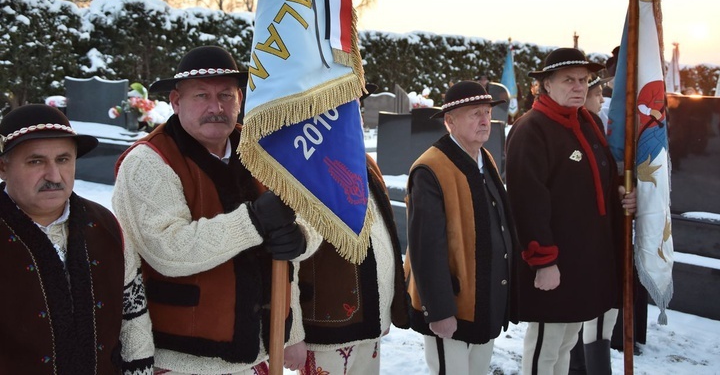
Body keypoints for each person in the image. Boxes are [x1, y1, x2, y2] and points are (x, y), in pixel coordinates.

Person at [112, 45, 320, 374]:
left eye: (225, 95)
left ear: (240, 99)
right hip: (185, 358)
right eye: (201, 96)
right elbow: (168, 250)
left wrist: (303, 237)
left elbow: (311, 211)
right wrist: (253, 220)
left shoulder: (264, 150)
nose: (216, 107)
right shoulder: (147, 162)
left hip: (258, 352)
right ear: (176, 101)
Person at [505, 48, 636, 375]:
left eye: (583, 80)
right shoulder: (530, 130)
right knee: (546, 347)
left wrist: (619, 191)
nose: (579, 87)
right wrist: (543, 261)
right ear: (546, 85)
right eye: (569, 80)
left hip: (585, 262)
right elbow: (527, 202)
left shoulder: (588, 121)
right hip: (554, 263)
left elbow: (600, 177)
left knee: (566, 343)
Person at [0, 104, 154, 374]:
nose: (54, 176)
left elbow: (133, 319)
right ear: (3, 167)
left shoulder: (106, 225)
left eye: (63, 159)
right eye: (36, 161)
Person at [404, 80, 515, 375]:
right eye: (474, 113)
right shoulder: (431, 168)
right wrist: (439, 311)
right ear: (450, 121)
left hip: (483, 301)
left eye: (486, 112)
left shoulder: (484, 157)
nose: (484, 120)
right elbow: (426, 247)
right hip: (452, 304)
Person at [285, 153, 410, 374]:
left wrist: (387, 308)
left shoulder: (365, 160)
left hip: (370, 324)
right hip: (326, 332)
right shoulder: (301, 161)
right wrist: (292, 334)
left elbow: (383, 233)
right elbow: (288, 260)